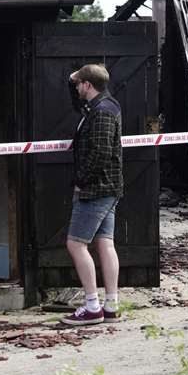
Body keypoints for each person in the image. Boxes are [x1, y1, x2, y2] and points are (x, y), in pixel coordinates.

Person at [61, 64, 123, 325]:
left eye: (78, 84)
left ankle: (92, 307)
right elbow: (77, 104)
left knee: (76, 244)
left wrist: (80, 181)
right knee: (105, 243)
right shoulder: (100, 107)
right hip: (107, 188)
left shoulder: (103, 112)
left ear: (88, 85)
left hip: (96, 189)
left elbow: (100, 152)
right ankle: (110, 306)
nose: (76, 88)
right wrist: (70, 79)